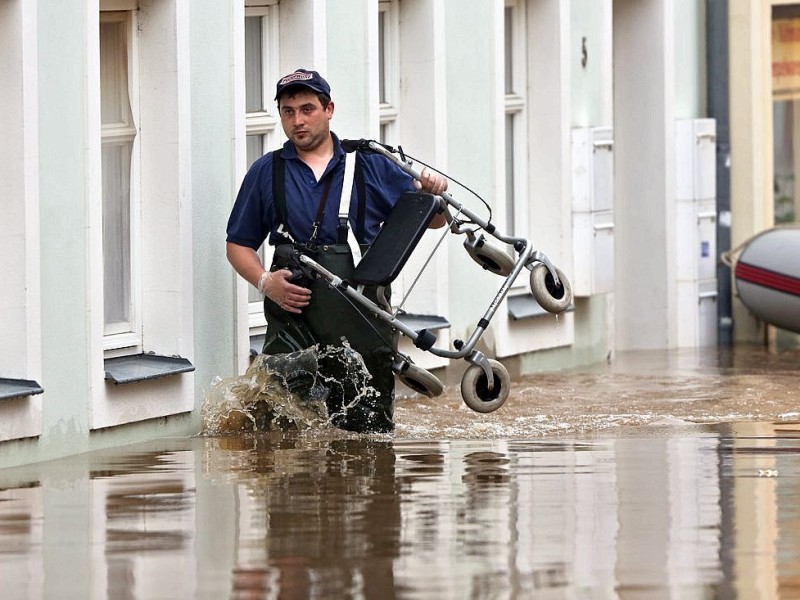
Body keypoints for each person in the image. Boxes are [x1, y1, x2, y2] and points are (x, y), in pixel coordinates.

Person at [226, 68, 447, 433]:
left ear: (329, 109)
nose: (298, 121)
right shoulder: (267, 172)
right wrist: (266, 282)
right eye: (288, 111)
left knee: (366, 434)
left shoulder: (370, 165)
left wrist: (432, 192)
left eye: (307, 109)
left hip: (362, 315)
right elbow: (238, 244)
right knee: (281, 421)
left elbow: (435, 220)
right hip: (293, 317)